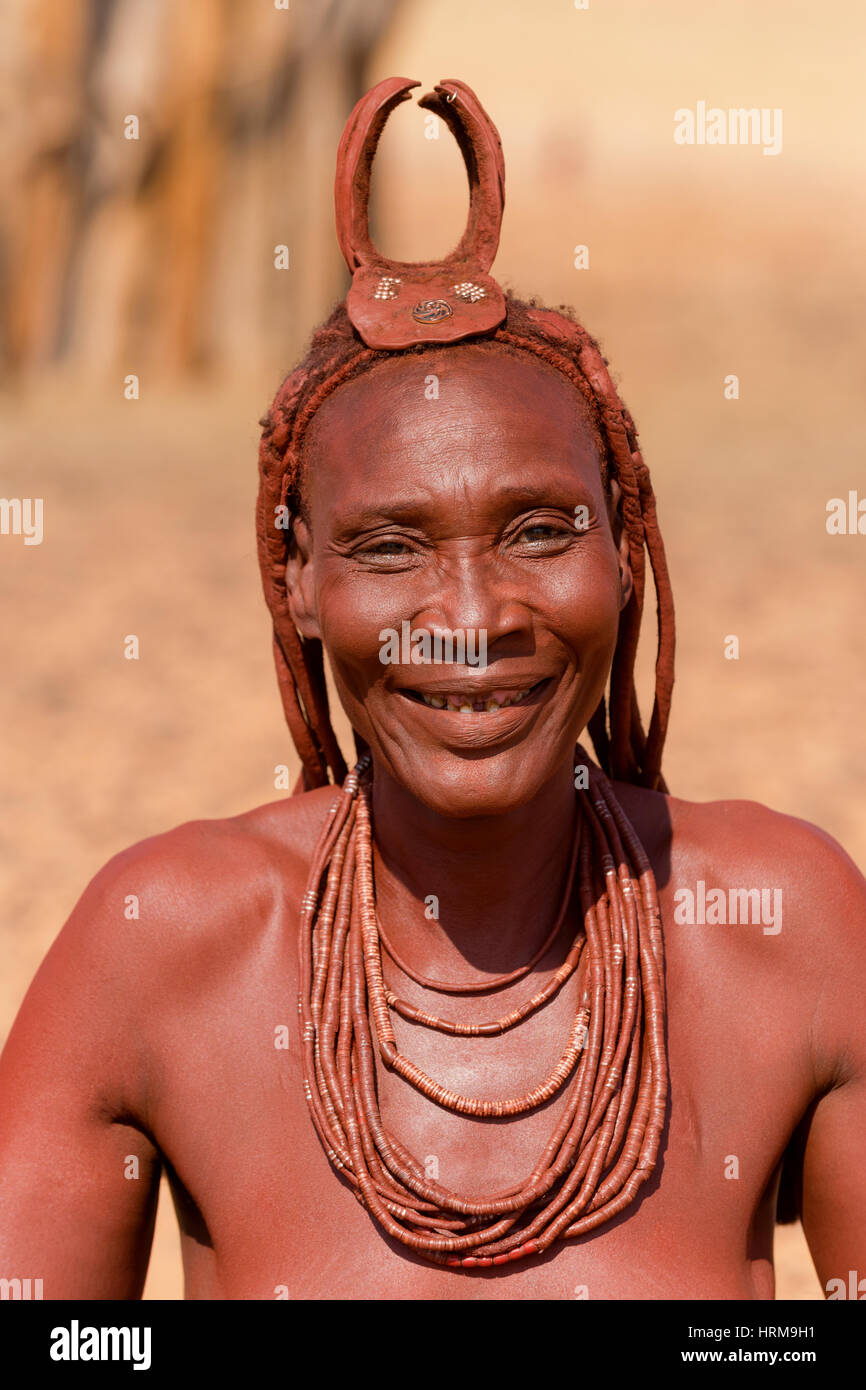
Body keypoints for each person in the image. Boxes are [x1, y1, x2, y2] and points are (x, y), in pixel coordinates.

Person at [1, 77, 864, 1301]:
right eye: (392, 549)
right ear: (299, 582)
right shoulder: (160, 953)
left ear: (625, 548)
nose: (471, 622)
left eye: (536, 531)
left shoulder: (790, 933)